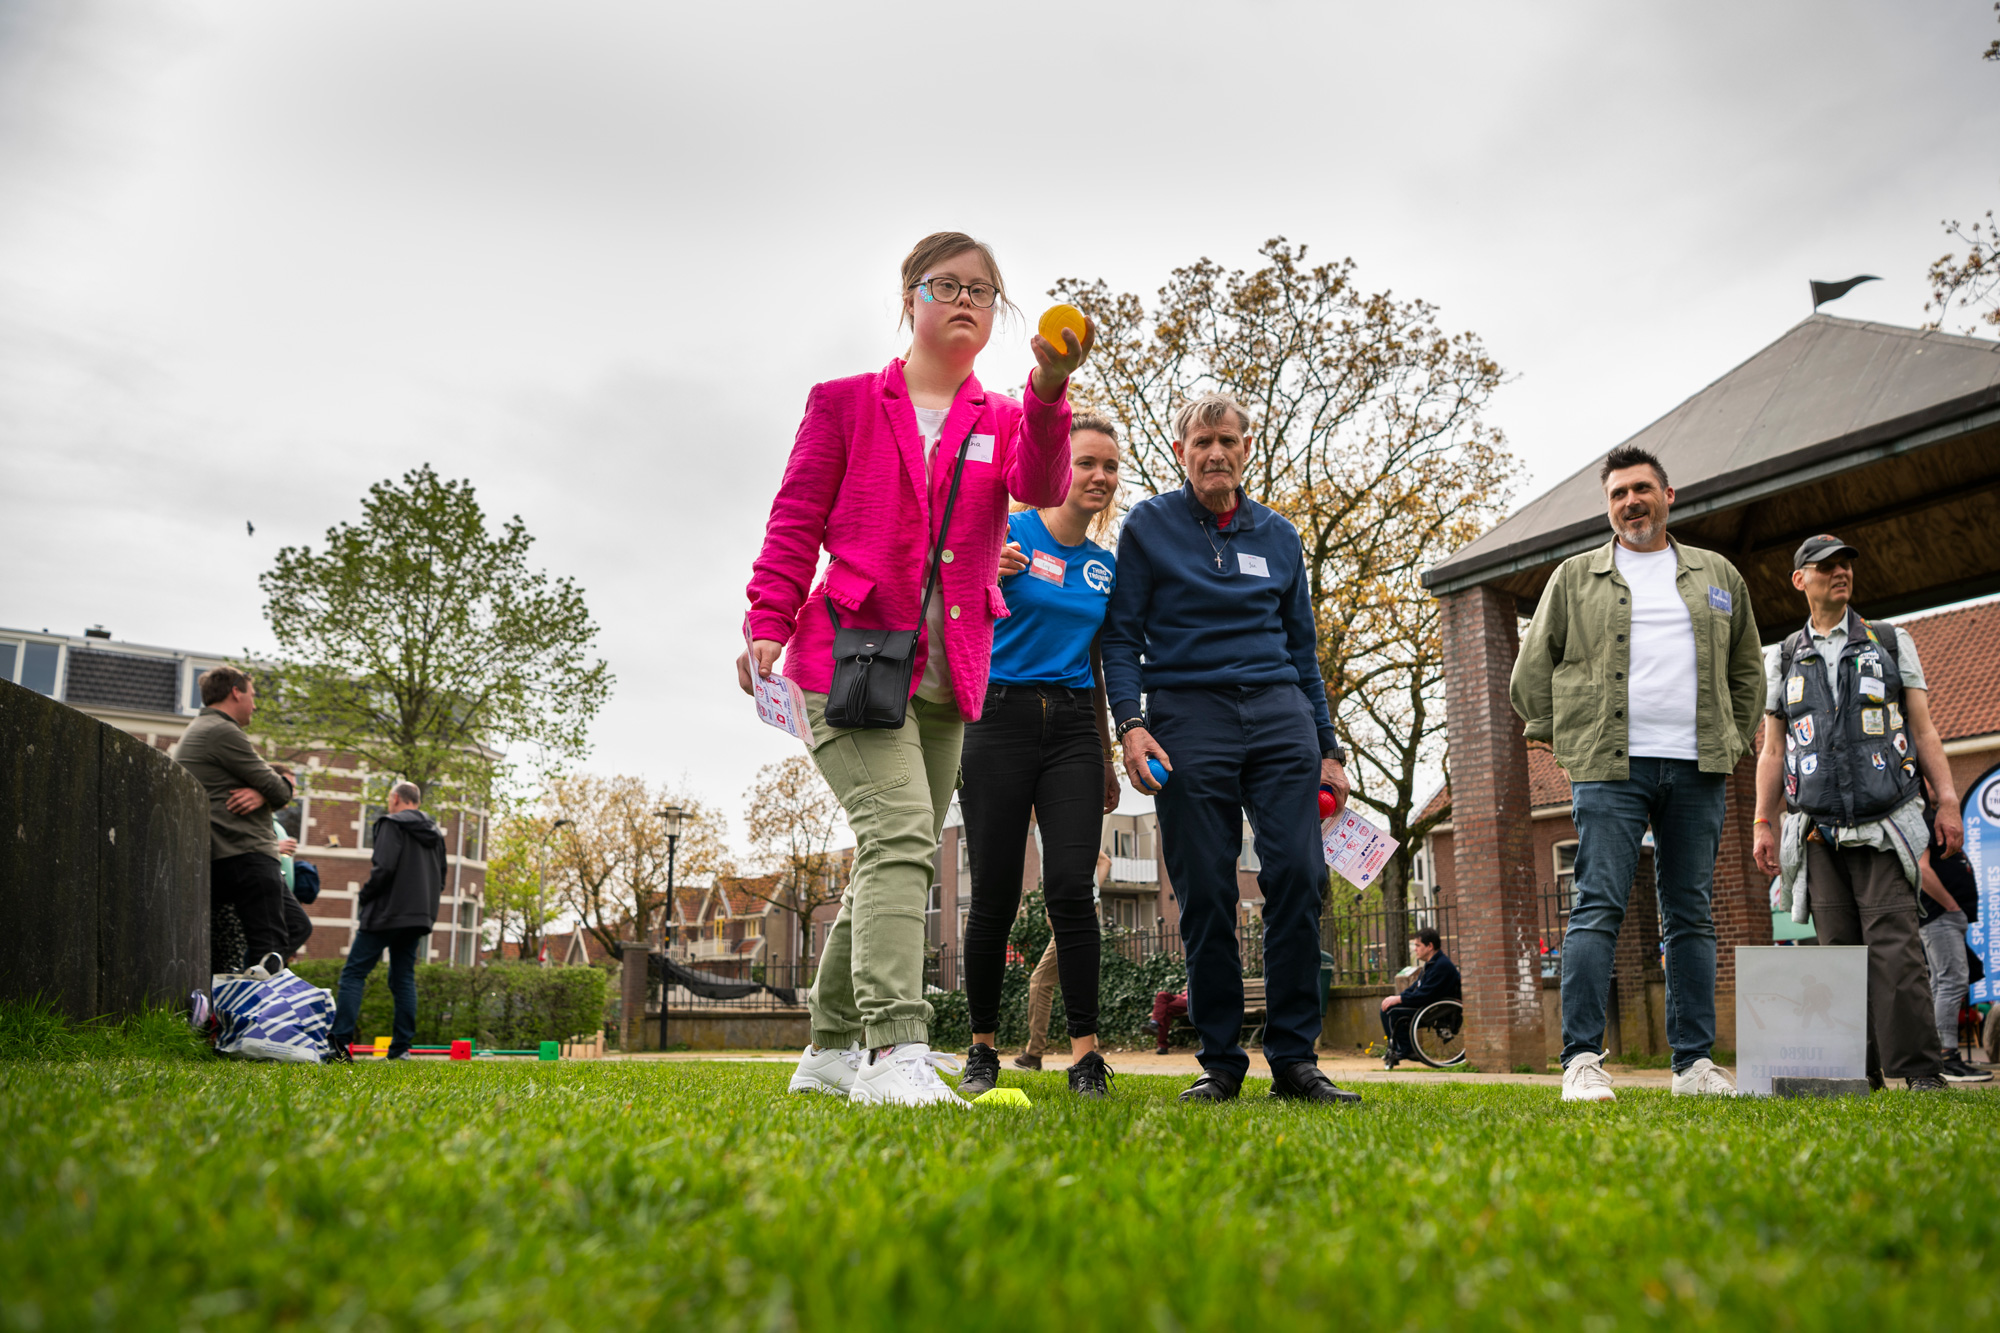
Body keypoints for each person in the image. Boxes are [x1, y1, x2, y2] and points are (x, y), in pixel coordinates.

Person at [741, 231, 1088, 1107]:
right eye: (948, 284)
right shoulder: (844, 403)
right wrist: (764, 625)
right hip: (847, 660)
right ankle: (894, 1046)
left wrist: (1048, 388)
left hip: (949, 678)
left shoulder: (1001, 418)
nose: (966, 300)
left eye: (983, 290)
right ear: (910, 298)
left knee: (889, 852)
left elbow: (1042, 479)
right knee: (900, 836)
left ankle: (825, 1048)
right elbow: (795, 523)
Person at [1103, 392, 1360, 1106]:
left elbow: (1305, 653)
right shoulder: (1149, 527)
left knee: (1300, 877)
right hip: (1188, 716)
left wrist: (1329, 748)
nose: (1215, 452)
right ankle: (1220, 1062)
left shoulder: (1279, 537)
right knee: (1208, 890)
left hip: (1281, 717)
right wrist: (1131, 723)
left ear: (1247, 446)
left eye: (1227, 439)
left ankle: (1295, 1060)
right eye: (1200, 442)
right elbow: (1121, 636)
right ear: (1181, 451)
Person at [1512, 445, 1763, 1102]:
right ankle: (1582, 1061)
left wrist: (1733, 738)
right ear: (1609, 505)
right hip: (1609, 767)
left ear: (1668, 494)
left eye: (1642, 488)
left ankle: (1694, 1064)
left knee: (1691, 912)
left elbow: (1746, 669)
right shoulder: (1574, 577)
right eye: (1619, 492)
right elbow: (1530, 674)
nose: (1631, 501)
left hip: (1698, 764)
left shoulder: (1717, 574)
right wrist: (1565, 741)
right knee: (1598, 906)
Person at [1751, 535, 1956, 1092]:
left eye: (1845, 566)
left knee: (1894, 946)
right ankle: (1853, 1076)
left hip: (1886, 823)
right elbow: (1772, 749)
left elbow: (1924, 729)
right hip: (1816, 830)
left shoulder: (1890, 641)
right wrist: (1762, 821)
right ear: (1800, 580)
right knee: (1836, 956)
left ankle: (1919, 1074)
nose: (1840, 573)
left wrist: (1950, 801)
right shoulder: (1784, 656)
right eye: (1826, 567)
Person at [958, 420, 1123, 1100]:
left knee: (1071, 893)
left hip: (1074, 733)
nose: (1099, 476)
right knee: (993, 894)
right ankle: (982, 1050)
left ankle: (1086, 1056)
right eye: (1086, 461)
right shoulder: (1003, 531)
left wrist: (1108, 752)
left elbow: (1101, 662)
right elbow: (947, 603)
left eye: (1111, 467)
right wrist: (976, 569)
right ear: (1058, 466)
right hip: (997, 720)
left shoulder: (1105, 566)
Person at [170, 666, 296, 977]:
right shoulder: (223, 731)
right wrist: (268, 792)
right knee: (271, 955)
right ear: (236, 692)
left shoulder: (199, 729)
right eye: (253, 695)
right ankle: (261, 1019)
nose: (255, 704)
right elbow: (280, 789)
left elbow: (269, 789)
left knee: (291, 927)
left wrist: (259, 793)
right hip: (245, 852)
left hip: (222, 854)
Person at [325, 781, 447, 1064]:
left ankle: (339, 1046)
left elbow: (384, 868)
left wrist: (366, 895)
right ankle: (401, 1049)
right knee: (403, 977)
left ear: (395, 799)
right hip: (418, 916)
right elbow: (441, 878)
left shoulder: (390, 824)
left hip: (386, 912)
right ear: (416, 801)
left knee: (354, 973)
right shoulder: (436, 833)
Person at [1013, 854, 1112, 1075]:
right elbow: (1105, 861)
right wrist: (1093, 895)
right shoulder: (1059, 824)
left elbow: (1102, 861)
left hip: (1070, 909)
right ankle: (1086, 1053)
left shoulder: (1049, 824)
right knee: (1074, 977)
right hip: (1080, 906)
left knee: (1041, 981)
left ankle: (1035, 1053)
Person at [1917, 809, 1989, 1082]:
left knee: (1942, 984)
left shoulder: (1932, 820)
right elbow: (1922, 868)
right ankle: (1948, 1057)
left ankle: (1941, 1055)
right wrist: (1950, 905)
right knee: (1951, 982)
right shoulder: (1925, 820)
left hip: (1944, 916)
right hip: (1941, 915)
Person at [1378, 928, 1460, 1068]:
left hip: (1436, 1008)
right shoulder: (1432, 964)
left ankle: (1405, 1050)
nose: (1415, 949)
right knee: (1389, 1007)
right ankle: (1399, 1049)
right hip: (1428, 1003)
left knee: (1391, 1011)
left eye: (1417, 945)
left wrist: (1399, 1000)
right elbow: (1416, 987)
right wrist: (1398, 997)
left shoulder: (1441, 965)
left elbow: (1425, 994)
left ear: (1430, 946)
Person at [272, 814, 314, 962]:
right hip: (266, 891)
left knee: (298, 928)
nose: (293, 792)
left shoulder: (275, 822)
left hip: (279, 892)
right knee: (299, 927)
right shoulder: (259, 818)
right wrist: (275, 847)